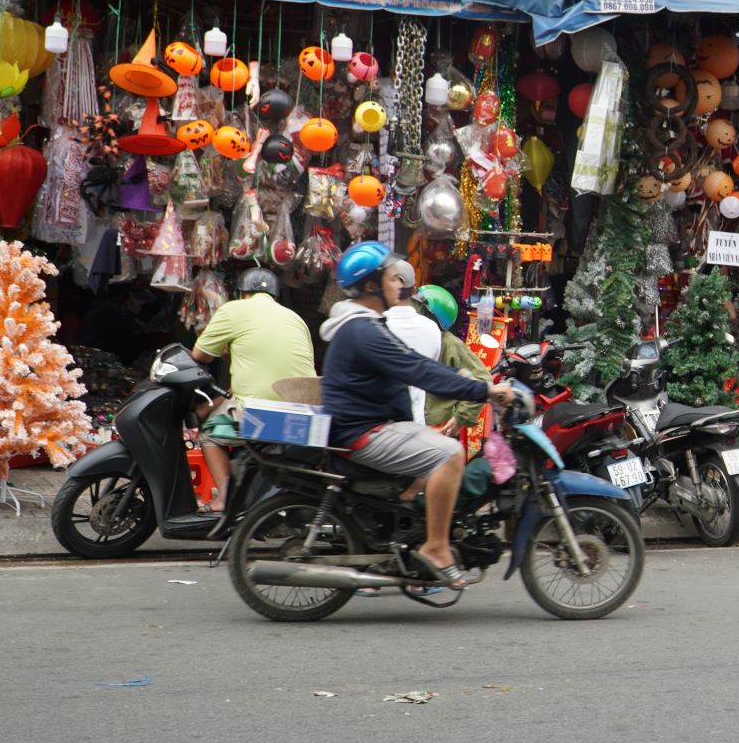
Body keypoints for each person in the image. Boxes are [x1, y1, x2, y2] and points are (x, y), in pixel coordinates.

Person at [321, 242, 517, 589]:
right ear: (371, 285)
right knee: (450, 455)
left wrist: (462, 382)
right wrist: (483, 391)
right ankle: (436, 548)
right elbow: (417, 370)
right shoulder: (362, 330)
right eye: (390, 278)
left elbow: (418, 365)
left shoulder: (366, 325)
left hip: (376, 426)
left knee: (433, 449)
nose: (398, 284)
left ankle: (410, 540)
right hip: (365, 433)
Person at [190, 268, 315, 512]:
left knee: (208, 433)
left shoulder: (234, 309)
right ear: (275, 297)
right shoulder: (294, 317)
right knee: (222, 403)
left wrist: (226, 350)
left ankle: (224, 498)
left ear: (242, 293)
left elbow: (199, 355)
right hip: (302, 411)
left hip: (260, 413)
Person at [412, 286, 492, 437]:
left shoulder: (449, 344)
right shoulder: (405, 334)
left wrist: (460, 416)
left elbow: (483, 380)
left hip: (435, 428)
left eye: (416, 307)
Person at [384, 284, 445, 425]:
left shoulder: (373, 324)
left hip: (381, 427)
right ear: (412, 291)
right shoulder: (432, 330)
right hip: (414, 424)